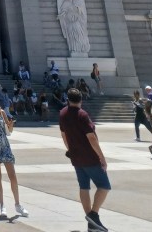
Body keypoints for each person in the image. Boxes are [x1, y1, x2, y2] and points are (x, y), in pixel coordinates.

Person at [59, 86, 111, 232]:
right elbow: (92, 138)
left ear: (68, 99)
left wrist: (70, 149)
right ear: (81, 99)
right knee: (104, 186)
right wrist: (102, 157)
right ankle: (93, 215)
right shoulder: (82, 115)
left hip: (76, 157)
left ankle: (91, 223)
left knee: (84, 187)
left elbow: (63, 134)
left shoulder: (63, 113)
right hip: (89, 157)